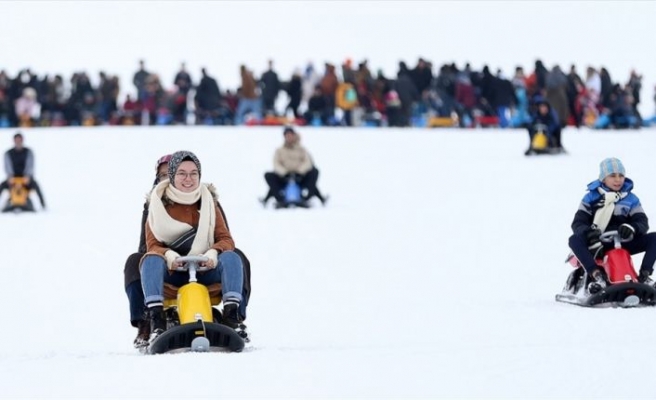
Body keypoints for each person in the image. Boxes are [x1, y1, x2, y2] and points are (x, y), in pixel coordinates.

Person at [125, 153, 252, 348]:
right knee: (142, 259)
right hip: (171, 268)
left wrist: (213, 252)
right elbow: (149, 245)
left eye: (194, 174)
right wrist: (168, 255)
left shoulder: (209, 202)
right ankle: (151, 321)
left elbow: (225, 238)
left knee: (236, 257)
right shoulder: (156, 205)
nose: (188, 179)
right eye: (180, 174)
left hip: (205, 267)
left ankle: (233, 316)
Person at [567, 157, 656, 294]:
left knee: (654, 238)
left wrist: (632, 228)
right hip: (599, 243)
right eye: (612, 176)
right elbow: (578, 222)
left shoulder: (631, 199)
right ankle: (597, 275)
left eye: (621, 175)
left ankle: (644, 275)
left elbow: (642, 222)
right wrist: (588, 233)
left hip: (625, 241)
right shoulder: (590, 198)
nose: (618, 179)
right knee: (574, 240)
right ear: (603, 179)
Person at [260, 126, 328, 208]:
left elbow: (308, 162)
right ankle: (280, 198)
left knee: (314, 172)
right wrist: (285, 173)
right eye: (287, 135)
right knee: (268, 175)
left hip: (300, 177)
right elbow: (276, 164)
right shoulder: (279, 150)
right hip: (284, 177)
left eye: (290, 135)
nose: (289, 137)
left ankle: (306, 197)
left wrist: (299, 173)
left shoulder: (302, 149)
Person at [0, 132, 46, 209]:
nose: (18, 142)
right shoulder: (8, 153)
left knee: (36, 186)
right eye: (17, 140)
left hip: (25, 178)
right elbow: (7, 165)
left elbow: (30, 164)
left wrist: (27, 176)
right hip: (12, 178)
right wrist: (10, 176)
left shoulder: (28, 152)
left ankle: (43, 205)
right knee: (2, 186)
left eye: (19, 140)